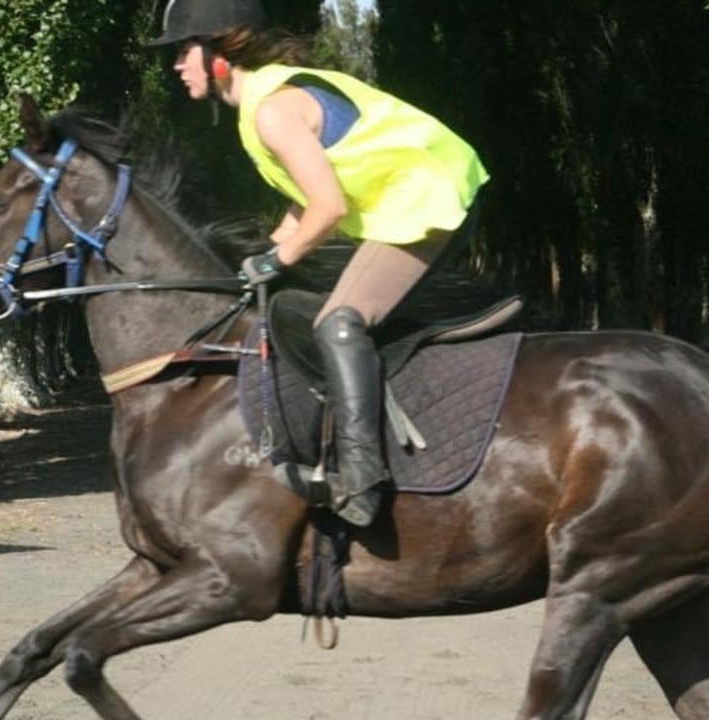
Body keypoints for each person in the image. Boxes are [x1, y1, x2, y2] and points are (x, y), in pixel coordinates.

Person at [149, 0, 490, 526]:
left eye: (182, 51)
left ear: (219, 53)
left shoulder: (272, 109)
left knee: (339, 322)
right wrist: (266, 253)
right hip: (401, 203)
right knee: (296, 307)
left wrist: (279, 257)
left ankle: (363, 479)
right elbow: (305, 198)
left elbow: (328, 207)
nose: (176, 66)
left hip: (427, 198)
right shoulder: (263, 105)